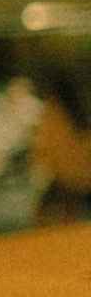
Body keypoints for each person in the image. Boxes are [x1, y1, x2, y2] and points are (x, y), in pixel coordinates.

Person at [35, 67, 91, 224]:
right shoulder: (80, 112)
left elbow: (43, 148)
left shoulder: (52, 112)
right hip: (85, 176)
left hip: (67, 179)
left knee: (43, 214)